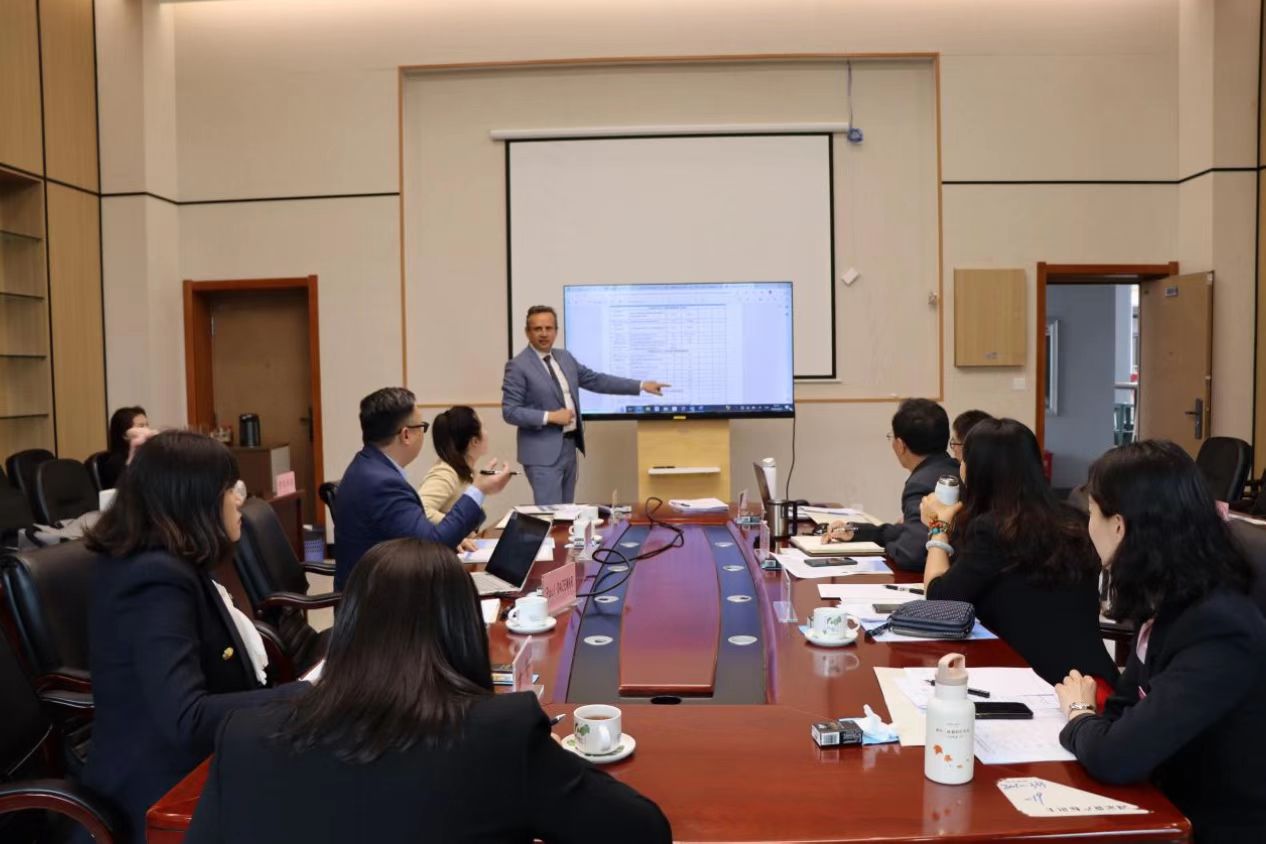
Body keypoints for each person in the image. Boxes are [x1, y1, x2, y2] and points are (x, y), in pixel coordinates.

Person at [184, 539, 673, 843]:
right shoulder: (500, 736)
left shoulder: (245, 738)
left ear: (349, 629)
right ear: (463, 631)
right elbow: (642, 831)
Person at [79, 431, 306, 844]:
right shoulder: (154, 579)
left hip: (194, 762)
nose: (239, 500)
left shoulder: (173, 562)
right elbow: (187, 719)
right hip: (158, 791)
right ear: (194, 499)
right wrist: (303, 696)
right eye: (230, 489)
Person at [1054, 440, 1266, 842]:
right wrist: (1098, 728)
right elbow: (1123, 707)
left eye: (1092, 512)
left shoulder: (1220, 626)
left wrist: (1079, 713)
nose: (1087, 524)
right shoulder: (1169, 595)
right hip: (1165, 799)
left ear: (1119, 526)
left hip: (1212, 825)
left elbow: (1116, 756)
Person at [918, 418, 1118, 686]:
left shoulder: (993, 529)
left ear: (978, 472)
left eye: (964, 460)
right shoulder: (1075, 520)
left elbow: (940, 601)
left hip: (1036, 682)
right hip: (1092, 679)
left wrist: (938, 527)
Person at [333, 387, 513, 589]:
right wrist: (479, 490)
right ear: (406, 435)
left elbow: (419, 533)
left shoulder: (368, 466)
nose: (423, 434)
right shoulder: (382, 484)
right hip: (379, 599)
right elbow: (430, 548)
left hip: (382, 582)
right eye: (421, 427)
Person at [502, 305, 668, 505]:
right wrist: (550, 417)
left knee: (566, 512)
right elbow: (510, 411)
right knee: (550, 515)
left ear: (556, 331)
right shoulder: (518, 366)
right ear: (527, 332)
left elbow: (596, 380)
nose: (544, 334)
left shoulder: (564, 357)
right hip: (542, 454)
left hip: (569, 447)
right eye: (538, 329)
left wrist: (641, 385)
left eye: (549, 328)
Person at [825, 398, 959, 571]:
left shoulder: (920, 484)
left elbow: (910, 554)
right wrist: (859, 532)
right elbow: (914, 531)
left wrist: (888, 547)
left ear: (900, 445)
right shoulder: (953, 469)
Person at [418, 405, 488, 525]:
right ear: (474, 441)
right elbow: (422, 511)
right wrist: (458, 527)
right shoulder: (445, 473)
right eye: (484, 427)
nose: (487, 433)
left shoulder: (466, 471)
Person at [100, 405, 147, 489]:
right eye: (141, 426)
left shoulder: (145, 455)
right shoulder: (115, 463)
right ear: (125, 434)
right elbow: (126, 489)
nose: (147, 430)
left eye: (147, 425)